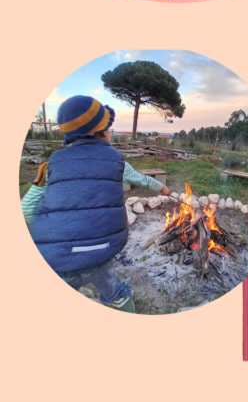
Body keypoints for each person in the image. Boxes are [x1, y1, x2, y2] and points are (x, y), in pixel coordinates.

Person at [22, 96, 172, 312]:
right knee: (111, 288)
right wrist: (163, 189)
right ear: (103, 132)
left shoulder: (52, 163)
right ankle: (123, 304)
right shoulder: (115, 158)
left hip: (56, 257)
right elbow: (141, 179)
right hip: (101, 249)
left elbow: (26, 209)